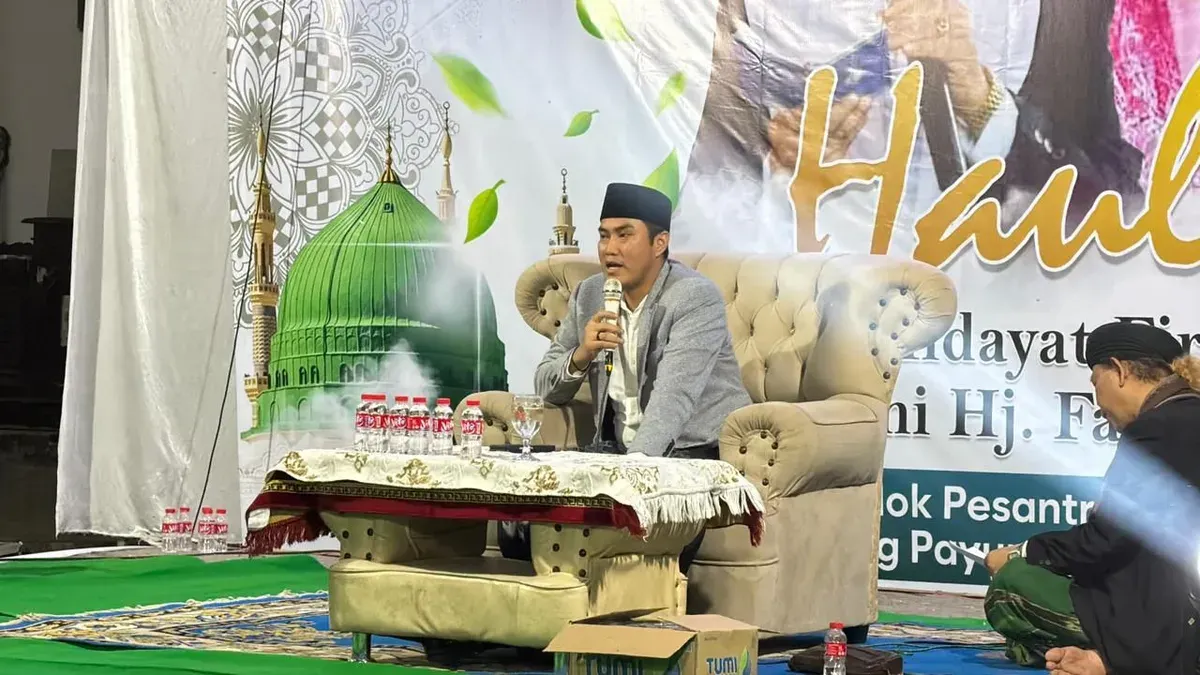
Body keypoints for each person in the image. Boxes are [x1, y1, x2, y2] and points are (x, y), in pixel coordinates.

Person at [499, 182, 753, 572]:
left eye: (624, 235)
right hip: (614, 451)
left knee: (630, 538)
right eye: (604, 236)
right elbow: (546, 386)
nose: (609, 249)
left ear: (659, 243)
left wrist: (629, 480)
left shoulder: (692, 297)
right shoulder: (590, 294)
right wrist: (582, 354)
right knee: (517, 528)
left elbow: (673, 399)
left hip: (689, 453)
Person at [982, 321, 1200, 674]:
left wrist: (1024, 553)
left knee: (1011, 585)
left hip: (1173, 626)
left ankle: (1116, 659)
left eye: (1095, 382)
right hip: (1178, 608)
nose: (1098, 405)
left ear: (1119, 370)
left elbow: (1104, 541)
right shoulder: (1185, 418)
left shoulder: (1157, 429)